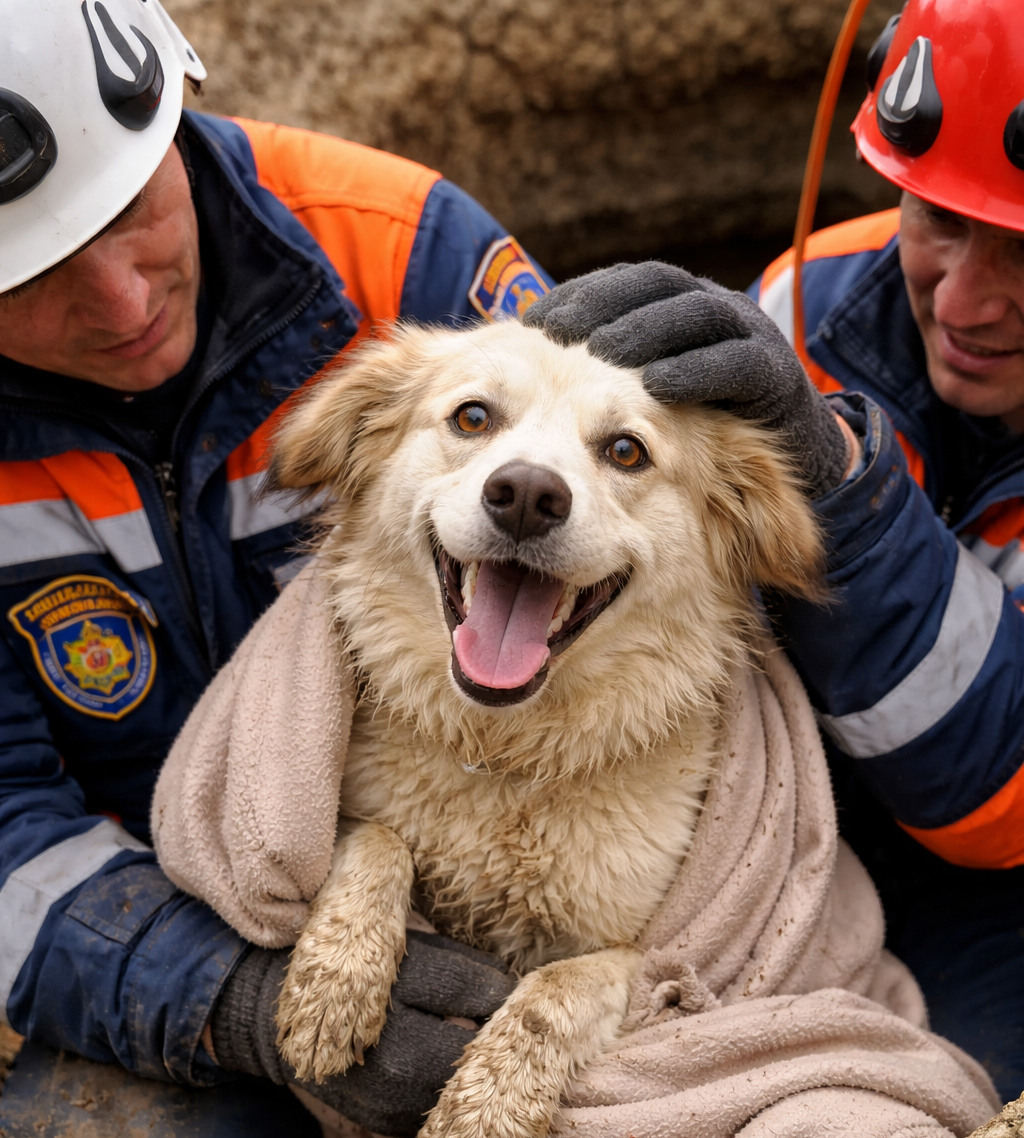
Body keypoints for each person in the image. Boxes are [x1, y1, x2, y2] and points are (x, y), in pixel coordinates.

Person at [0, 1, 547, 1133]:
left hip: (512, 866)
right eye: (29, 275)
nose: (124, 301)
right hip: (160, 928)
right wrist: (230, 1003)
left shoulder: (399, 251)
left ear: (172, 112)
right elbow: (10, 838)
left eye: (131, 211)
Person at [524, 0, 1024, 1104]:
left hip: (1000, 887)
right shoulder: (808, 297)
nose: (969, 301)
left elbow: (999, 798)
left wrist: (832, 474)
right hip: (796, 813)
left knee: (933, 1093)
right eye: (937, 217)